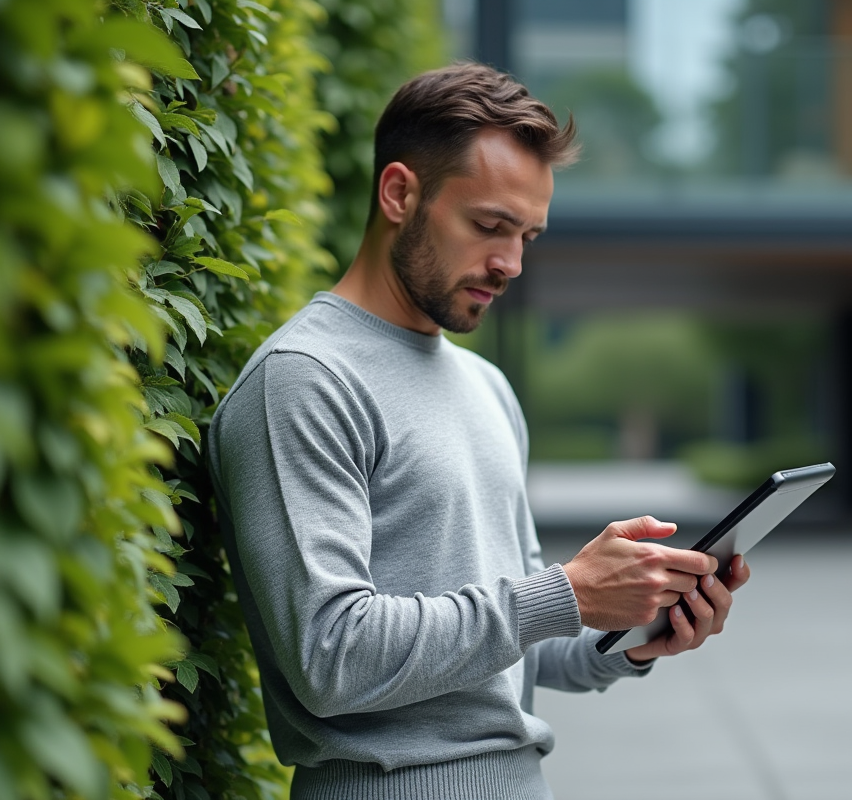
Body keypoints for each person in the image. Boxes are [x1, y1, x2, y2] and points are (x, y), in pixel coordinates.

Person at [207, 62, 752, 800]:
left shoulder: (486, 387)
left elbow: (515, 648)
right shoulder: (304, 379)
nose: (511, 264)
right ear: (399, 193)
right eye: (490, 226)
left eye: (528, 235)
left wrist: (629, 631)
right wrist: (563, 592)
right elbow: (330, 657)